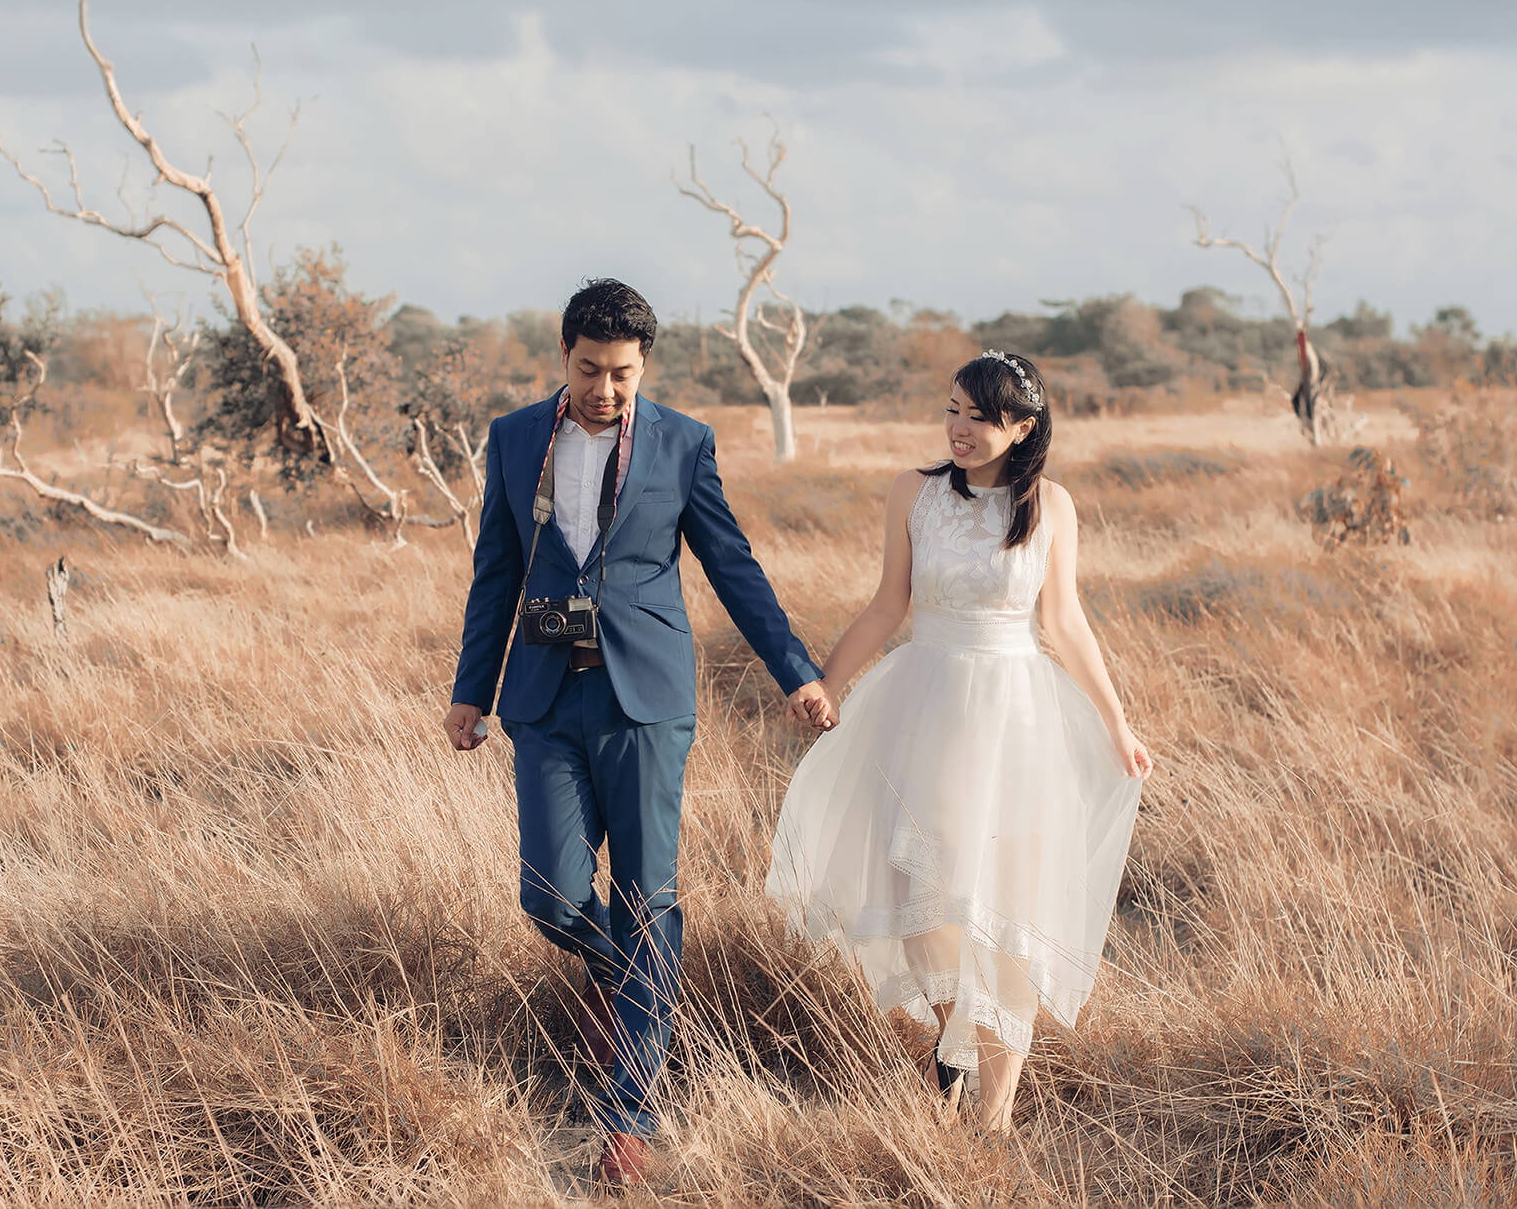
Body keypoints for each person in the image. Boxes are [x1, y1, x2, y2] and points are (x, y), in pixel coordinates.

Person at [444, 278, 832, 1186]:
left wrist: (797, 672)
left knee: (647, 890)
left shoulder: (682, 442)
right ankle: (647, 979)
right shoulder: (511, 439)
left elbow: (733, 565)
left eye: (622, 373)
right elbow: (494, 571)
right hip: (542, 699)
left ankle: (630, 1112)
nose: (606, 390)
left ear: (643, 365)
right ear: (564, 355)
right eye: (590, 370)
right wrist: (473, 691)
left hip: (647, 702)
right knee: (549, 892)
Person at [767, 350, 1151, 1133]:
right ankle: (954, 1041)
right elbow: (886, 605)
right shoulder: (913, 492)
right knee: (923, 899)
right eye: (952, 410)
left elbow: (1065, 624)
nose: (960, 429)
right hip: (925, 702)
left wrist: (1117, 722)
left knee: (1008, 901)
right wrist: (828, 683)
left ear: (1023, 427)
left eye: (980, 417)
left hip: (1015, 713)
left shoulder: (1051, 507)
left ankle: (993, 1117)